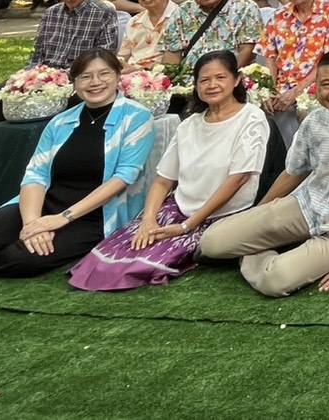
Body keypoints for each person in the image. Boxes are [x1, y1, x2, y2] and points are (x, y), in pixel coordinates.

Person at [199, 48, 329, 297]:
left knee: (275, 280)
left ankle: (266, 251)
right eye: (326, 84)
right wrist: (258, 214)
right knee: (211, 243)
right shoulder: (315, 120)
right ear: (316, 84)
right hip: (307, 207)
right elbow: (292, 173)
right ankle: (276, 244)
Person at [69, 50, 271, 291]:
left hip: (221, 214)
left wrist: (188, 225)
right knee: (116, 250)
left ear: (236, 80)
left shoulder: (251, 117)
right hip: (179, 207)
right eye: (204, 80)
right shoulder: (190, 124)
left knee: (148, 262)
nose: (212, 85)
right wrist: (148, 219)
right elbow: (163, 181)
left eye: (220, 78)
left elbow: (238, 179)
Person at [0, 49, 153, 277]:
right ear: (74, 82)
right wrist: (33, 224)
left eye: (104, 74)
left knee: (20, 260)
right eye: (85, 76)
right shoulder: (61, 121)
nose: (95, 82)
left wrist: (61, 219)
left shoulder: (137, 117)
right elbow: (36, 174)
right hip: (45, 205)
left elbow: (123, 178)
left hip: (94, 215)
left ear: (118, 76)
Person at [258, 0, 329, 143]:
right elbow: (270, 57)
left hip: (317, 85)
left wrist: (297, 91)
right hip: (282, 86)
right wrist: (269, 89)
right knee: (254, 108)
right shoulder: (278, 16)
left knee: (311, 111)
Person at [159, 0, 263, 68]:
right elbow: (172, 53)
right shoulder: (182, 12)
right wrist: (172, 76)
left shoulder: (245, 7)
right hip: (188, 75)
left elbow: (248, 50)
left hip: (230, 73)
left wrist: (229, 74)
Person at [28, 0, 119, 69]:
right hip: (45, 74)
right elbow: (37, 54)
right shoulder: (50, 13)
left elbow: (104, 57)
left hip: (81, 75)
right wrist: (30, 73)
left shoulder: (104, 12)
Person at [118, 0, 180, 69]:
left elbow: (174, 65)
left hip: (163, 74)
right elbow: (122, 57)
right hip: (130, 74)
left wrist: (137, 70)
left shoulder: (180, 18)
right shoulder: (134, 21)